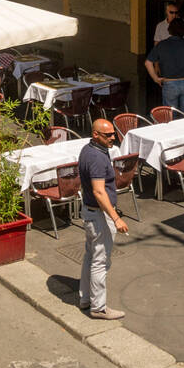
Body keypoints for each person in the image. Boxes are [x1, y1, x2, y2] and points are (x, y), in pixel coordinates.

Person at [77, 118, 127, 320]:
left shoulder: (88, 149)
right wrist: (116, 218)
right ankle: (98, 307)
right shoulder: (97, 158)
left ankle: (85, 298)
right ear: (95, 135)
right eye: (108, 135)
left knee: (90, 255)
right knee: (101, 260)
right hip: (99, 215)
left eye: (113, 133)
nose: (113, 137)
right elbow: (99, 191)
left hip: (90, 212)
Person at [145, 16, 184, 115]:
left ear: (169, 30)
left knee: (170, 118)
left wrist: (155, 78)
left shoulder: (161, 45)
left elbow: (148, 62)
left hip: (169, 84)